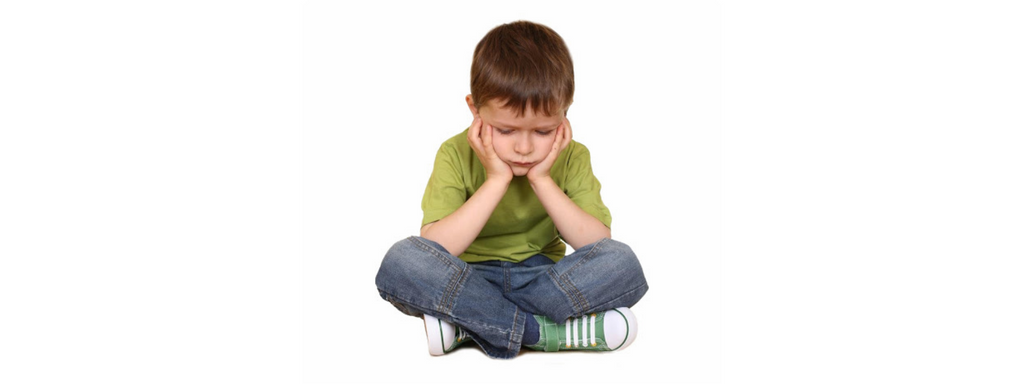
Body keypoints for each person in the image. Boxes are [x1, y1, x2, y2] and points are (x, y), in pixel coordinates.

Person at [374, 20, 648, 359]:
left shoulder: (574, 155)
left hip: (545, 280)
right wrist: (496, 180)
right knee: (402, 262)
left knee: (623, 263)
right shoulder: (454, 153)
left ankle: (471, 325)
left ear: (566, 112)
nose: (524, 148)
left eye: (544, 131)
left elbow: (596, 243)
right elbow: (435, 248)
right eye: (505, 130)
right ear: (475, 109)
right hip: (468, 279)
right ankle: (541, 331)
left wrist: (542, 180)